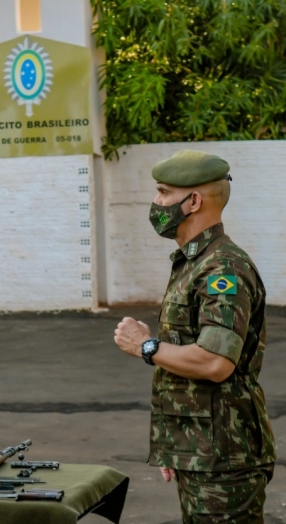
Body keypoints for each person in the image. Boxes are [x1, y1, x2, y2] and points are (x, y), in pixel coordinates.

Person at [114, 149, 276, 523]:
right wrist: (178, 445)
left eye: (163, 192)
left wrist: (145, 346)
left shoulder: (223, 268)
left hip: (225, 458)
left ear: (194, 201)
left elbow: (215, 362)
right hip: (203, 451)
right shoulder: (194, 262)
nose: (156, 203)